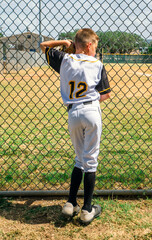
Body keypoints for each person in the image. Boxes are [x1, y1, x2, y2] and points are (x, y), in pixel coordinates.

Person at [40, 28, 111, 224]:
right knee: (91, 160)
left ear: (75, 45)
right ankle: (87, 209)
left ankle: (71, 203)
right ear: (89, 46)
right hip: (91, 112)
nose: (95, 50)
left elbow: (43, 46)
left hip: (73, 112)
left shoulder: (65, 60)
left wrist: (64, 43)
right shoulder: (97, 63)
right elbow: (105, 95)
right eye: (94, 46)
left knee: (79, 159)